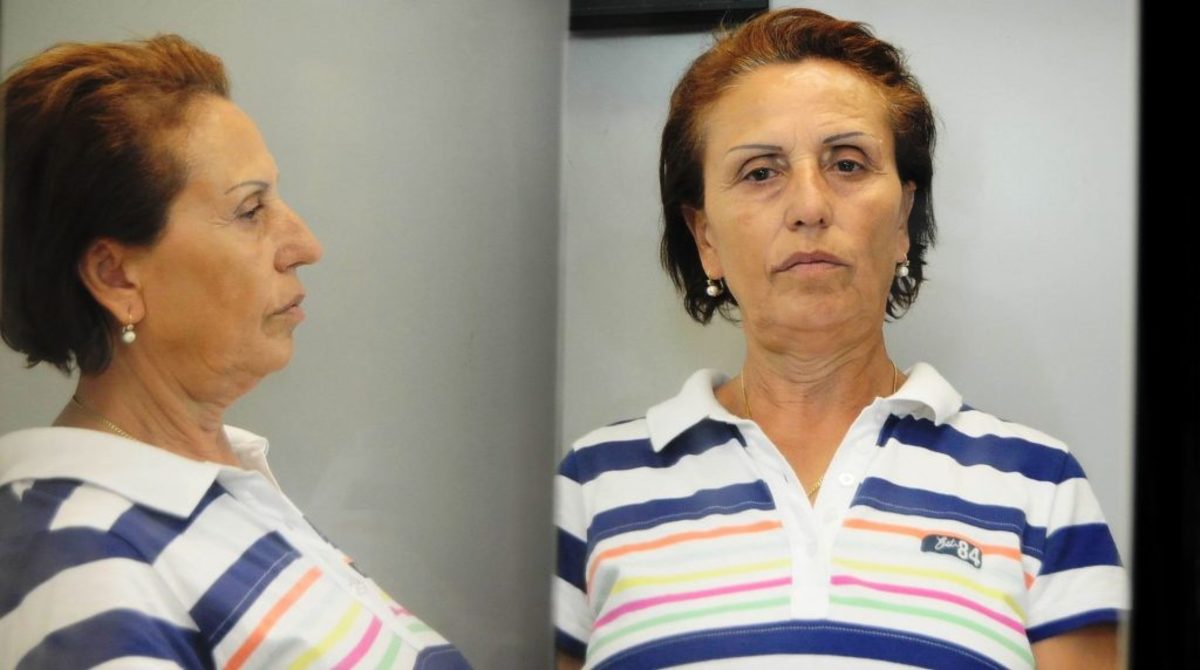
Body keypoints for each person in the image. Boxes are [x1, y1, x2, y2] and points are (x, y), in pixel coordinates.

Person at [553, 8, 1126, 669]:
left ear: (904, 215)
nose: (809, 207)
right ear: (705, 235)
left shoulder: (1040, 488)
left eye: (848, 164)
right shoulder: (590, 490)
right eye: (761, 172)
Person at [0, 35, 469, 669]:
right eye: (251, 210)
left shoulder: (213, 482)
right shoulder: (81, 563)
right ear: (116, 277)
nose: (305, 244)